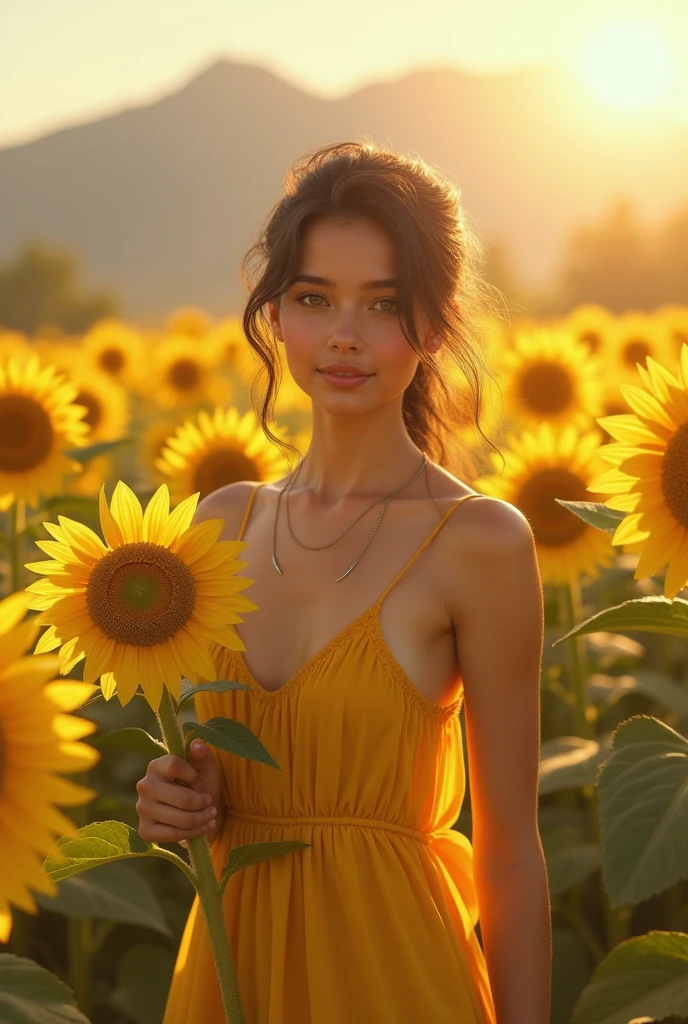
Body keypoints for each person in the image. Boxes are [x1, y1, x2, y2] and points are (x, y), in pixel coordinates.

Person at [136, 141, 551, 1024]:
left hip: (398, 977)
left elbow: (510, 851)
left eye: (384, 305)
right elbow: (214, 770)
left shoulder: (477, 540)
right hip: (231, 977)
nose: (345, 335)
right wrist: (175, 793)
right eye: (315, 299)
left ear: (435, 325)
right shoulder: (221, 524)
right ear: (277, 315)